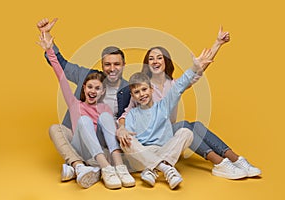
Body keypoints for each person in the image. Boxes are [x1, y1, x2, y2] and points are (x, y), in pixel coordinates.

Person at [118, 30, 261, 179]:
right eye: (151, 59)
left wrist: (217, 44)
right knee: (185, 125)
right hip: (153, 136)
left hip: (167, 133)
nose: (155, 61)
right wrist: (121, 128)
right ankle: (218, 162)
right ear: (147, 64)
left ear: (165, 61)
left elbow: (196, 71)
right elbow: (126, 113)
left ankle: (235, 159)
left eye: (159, 58)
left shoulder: (172, 85)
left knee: (196, 126)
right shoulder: (142, 86)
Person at [37, 18, 132, 188]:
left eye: (117, 64)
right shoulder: (86, 79)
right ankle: (80, 166)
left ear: (124, 65)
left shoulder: (128, 90)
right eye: (107, 64)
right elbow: (61, 67)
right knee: (66, 126)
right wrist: (48, 39)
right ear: (102, 65)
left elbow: (137, 112)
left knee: (106, 118)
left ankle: (97, 169)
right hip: (79, 139)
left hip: (105, 144)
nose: (112, 68)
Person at [121, 49, 212, 189]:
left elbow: (179, 86)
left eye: (144, 90)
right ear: (132, 96)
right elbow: (132, 141)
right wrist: (123, 131)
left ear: (151, 89)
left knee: (186, 132)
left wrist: (195, 67)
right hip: (143, 156)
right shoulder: (132, 115)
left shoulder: (163, 106)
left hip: (164, 150)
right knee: (126, 141)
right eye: (137, 92)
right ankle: (166, 169)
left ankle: (152, 170)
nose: (141, 95)